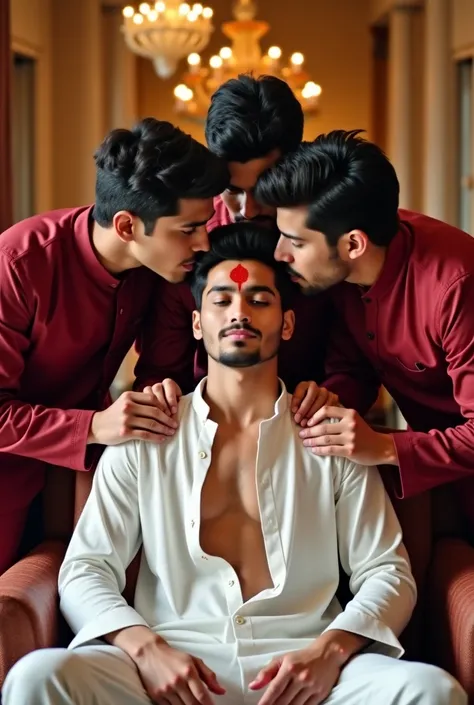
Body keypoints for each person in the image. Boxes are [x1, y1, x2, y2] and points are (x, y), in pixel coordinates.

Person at [2, 223, 466, 705]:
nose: (239, 312)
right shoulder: (147, 434)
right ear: (198, 323)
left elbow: (387, 572)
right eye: (221, 300)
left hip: (306, 670)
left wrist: (330, 652)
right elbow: (87, 568)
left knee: (430, 691)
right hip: (167, 669)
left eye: (260, 300)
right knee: (38, 677)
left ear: (287, 324)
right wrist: (146, 649)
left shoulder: (329, 435)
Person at [0, 117, 229, 575]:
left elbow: (164, 368)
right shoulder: (20, 264)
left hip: (92, 467)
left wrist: (155, 396)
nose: (204, 242)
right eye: (188, 229)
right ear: (127, 225)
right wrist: (93, 426)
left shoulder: (164, 269)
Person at [255, 128, 474, 538]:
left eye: (295, 242)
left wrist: (385, 447)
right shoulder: (337, 274)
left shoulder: (455, 285)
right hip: (442, 480)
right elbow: (354, 368)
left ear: (354, 244)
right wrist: (330, 398)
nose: (279, 254)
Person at [136, 75, 334, 412]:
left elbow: (353, 360)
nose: (247, 210)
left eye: (263, 189)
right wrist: (161, 398)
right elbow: (160, 369)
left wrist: (333, 397)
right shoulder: (189, 241)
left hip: (313, 428)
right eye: (232, 190)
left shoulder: (325, 232)